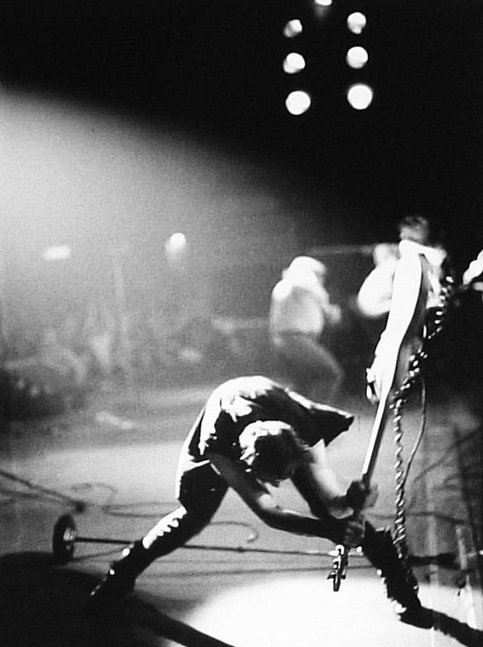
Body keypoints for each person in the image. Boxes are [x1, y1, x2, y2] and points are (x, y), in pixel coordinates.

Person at [89, 375, 422, 617]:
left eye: (287, 475)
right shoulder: (219, 446)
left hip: (274, 404)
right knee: (194, 516)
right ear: (249, 467)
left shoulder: (303, 432)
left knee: (327, 509)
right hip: (221, 420)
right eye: (273, 480)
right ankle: (124, 571)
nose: (279, 486)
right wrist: (331, 532)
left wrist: (349, 500)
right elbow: (269, 512)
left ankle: (398, 583)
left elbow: (331, 499)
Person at [365, 215, 449, 403]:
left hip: (402, 317)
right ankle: (385, 384)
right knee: (396, 341)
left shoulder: (420, 261)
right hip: (384, 314)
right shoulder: (410, 258)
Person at [269, 256, 344, 404]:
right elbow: (330, 314)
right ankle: (315, 416)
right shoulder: (299, 285)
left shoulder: (291, 287)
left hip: (291, 340)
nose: (321, 280)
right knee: (331, 374)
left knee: (303, 384)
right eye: (319, 275)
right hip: (295, 339)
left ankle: (295, 416)